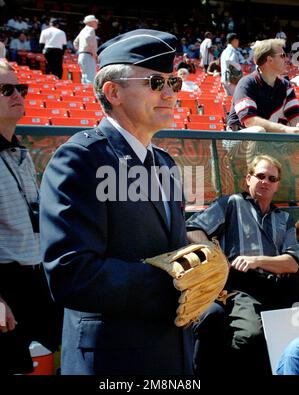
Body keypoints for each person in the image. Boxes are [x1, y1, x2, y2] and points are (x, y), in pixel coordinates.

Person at [40, 28, 193, 375]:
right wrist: (178, 284)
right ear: (113, 92)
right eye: (156, 82)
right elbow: (70, 273)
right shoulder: (80, 159)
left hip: (172, 354)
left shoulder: (165, 162)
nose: (169, 93)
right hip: (113, 360)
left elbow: (170, 247)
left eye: (174, 83)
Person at [186, 154, 299, 376]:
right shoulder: (230, 203)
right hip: (241, 286)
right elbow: (192, 229)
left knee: (289, 341)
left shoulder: (283, 218)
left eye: (272, 178)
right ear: (248, 179)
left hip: (281, 287)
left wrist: (255, 260)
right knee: (250, 336)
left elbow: (293, 263)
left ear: (277, 185)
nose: (265, 181)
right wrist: (217, 256)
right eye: (260, 176)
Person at [0, 60, 62, 374]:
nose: (17, 95)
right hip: (5, 284)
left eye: (20, 88)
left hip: (37, 278)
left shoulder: (21, 154)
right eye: (5, 89)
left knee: (68, 348)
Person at [227, 38, 299, 133]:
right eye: (283, 55)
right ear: (269, 59)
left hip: (268, 140)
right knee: (259, 131)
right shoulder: (247, 83)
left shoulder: (286, 86)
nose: (287, 59)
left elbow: (295, 117)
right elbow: (250, 121)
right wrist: (285, 129)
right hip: (237, 139)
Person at [73, 15, 99, 84]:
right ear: (91, 22)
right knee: (90, 78)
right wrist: (93, 53)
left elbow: (75, 42)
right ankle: (89, 94)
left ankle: (85, 93)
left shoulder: (83, 30)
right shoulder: (90, 29)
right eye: (95, 22)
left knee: (84, 78)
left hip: (82, 55)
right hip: (88, 55)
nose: (97, 23)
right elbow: (88, 38)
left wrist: (81, 49)